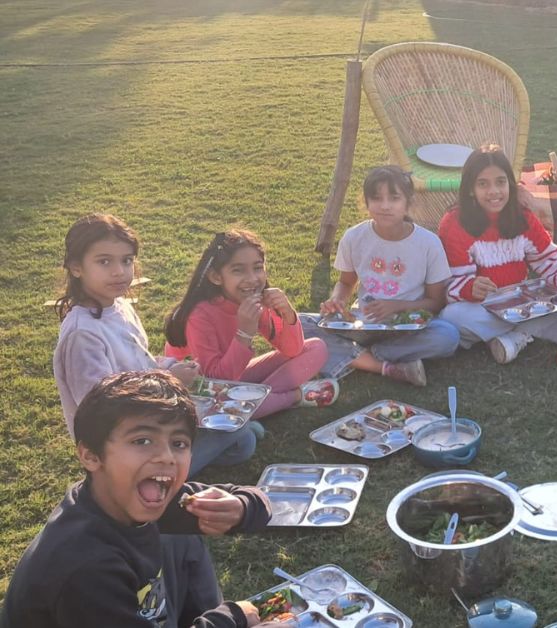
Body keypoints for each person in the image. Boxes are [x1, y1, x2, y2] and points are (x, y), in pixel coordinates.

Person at [0, 370, 284, 627]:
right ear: (90, 455)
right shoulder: (85, 569)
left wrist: (241, 507)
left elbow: (255, 500)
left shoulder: (131, 498)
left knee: (182, 534)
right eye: (142, 441)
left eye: (179, 443)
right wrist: (231, 618)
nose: (166, 457)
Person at [52, 213, 256, 477]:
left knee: (242, 438)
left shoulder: (120, 307)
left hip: (150, 422)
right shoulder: (82, 334)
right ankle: (150, 478)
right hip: (120, 451)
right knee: (240, 433)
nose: (119, 272)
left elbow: (139, 362)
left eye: (126, 261)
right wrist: (169, 379)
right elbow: (99, 409)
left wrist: (172, 366)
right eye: (104, 262)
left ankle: (180, 458)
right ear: (76, 267)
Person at [438, 144, 557, 364]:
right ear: (470, 189)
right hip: (482, 306)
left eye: (501, 182)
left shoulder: (522, 215)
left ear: (510, 184)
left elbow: (551, 262)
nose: (494, 191)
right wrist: (469, 287)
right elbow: (448, 286)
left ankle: (514, 335)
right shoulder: (454, 224)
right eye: (483, 184)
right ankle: (526, 332)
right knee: (452, 317)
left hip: (521, 302)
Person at [300, 166, 459, 386]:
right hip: (362, 323)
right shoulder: (354, 237)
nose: (385, 206)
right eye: (376, 198)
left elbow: (436, 302)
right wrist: (337, 300)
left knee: (447, 336)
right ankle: (385, 365)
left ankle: (362, 356)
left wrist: (396, 306)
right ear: (366, 202)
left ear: (407, 203)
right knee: (297, 325)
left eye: (394, 198)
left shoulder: (428, 243)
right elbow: (346, 282)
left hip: (408, 327)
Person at [164, 229, 338, 417]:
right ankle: (294, 397)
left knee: (316, 347)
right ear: (216, 277)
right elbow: (215, 380)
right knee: (223, 405)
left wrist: (288, 315)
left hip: (232, 379)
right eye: (238, 270)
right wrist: (244, 333)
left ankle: (252, 402)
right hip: (199, 388)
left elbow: (292, 351)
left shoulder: (254, 301)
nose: (253, 279)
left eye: (257, 267)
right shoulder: (199, 315)